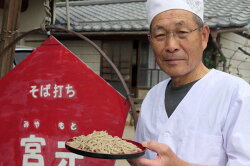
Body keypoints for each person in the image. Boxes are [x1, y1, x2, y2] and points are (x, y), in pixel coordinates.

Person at [129, 0, 250, 165]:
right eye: (160, 35)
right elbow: (143, 156)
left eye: (182, 32)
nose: (171, 46)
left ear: (203, 36)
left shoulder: (236, 94)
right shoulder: (152, 96)